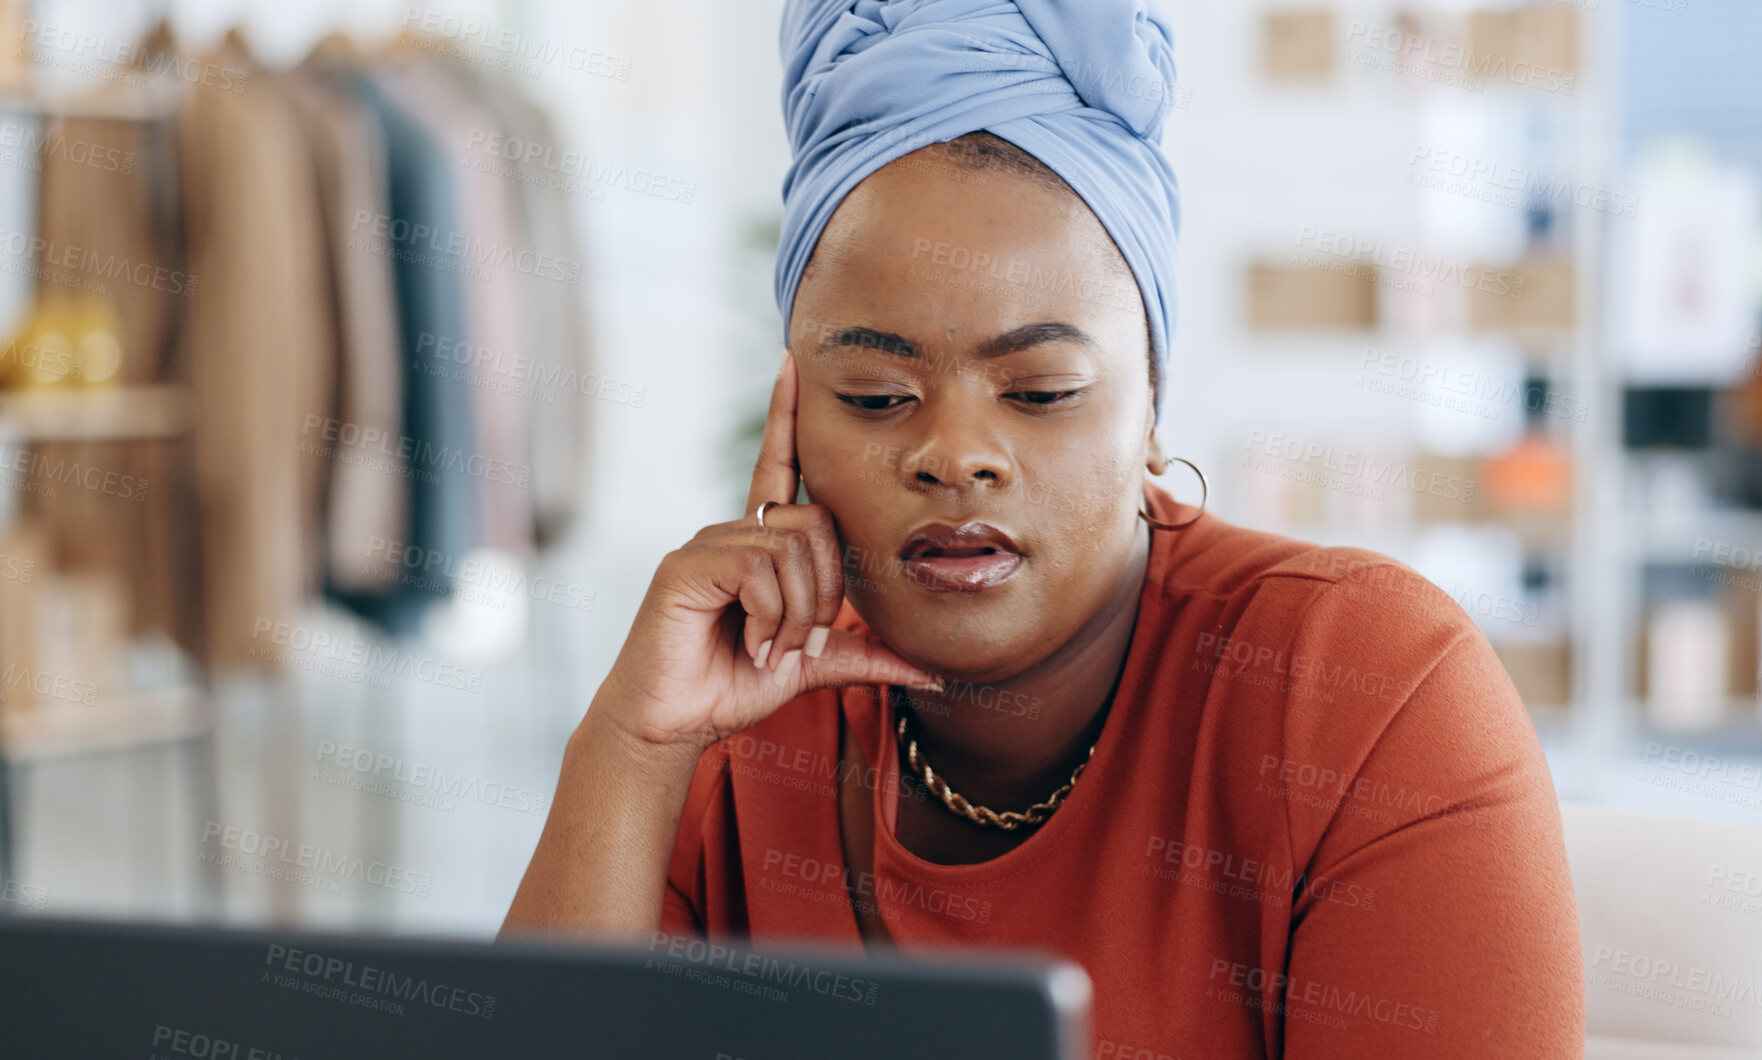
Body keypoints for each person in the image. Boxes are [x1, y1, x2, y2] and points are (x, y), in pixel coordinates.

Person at [503, 1, 1585, 1055]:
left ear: (1152, 406)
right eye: (876, 395)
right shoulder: (735, 713)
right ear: (792, 419)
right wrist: (633, 749)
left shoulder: (1363, 693)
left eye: (1041, 390)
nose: (956, 453)